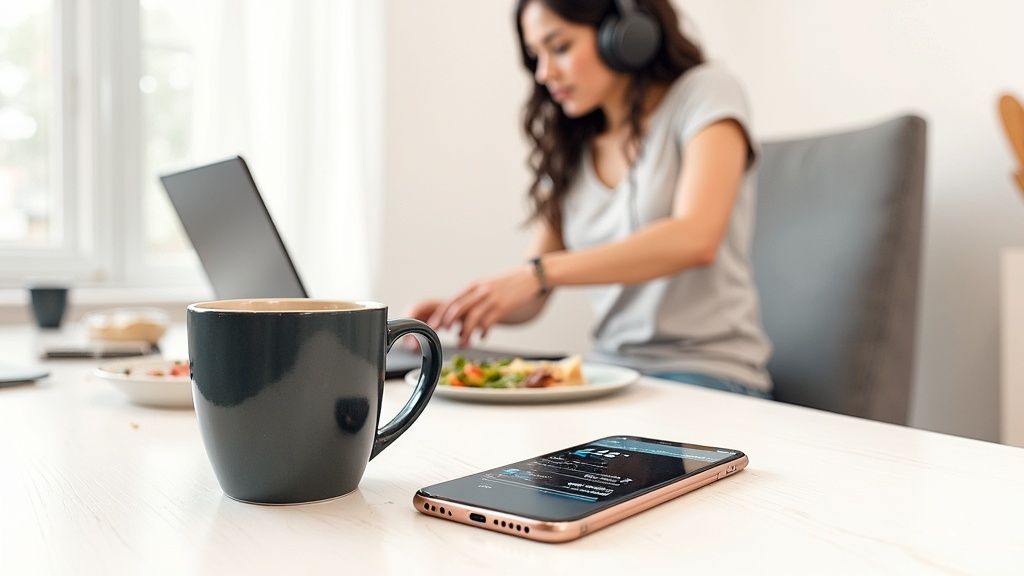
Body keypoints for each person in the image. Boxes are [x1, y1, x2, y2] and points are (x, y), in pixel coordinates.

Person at [409, 0, 773, 398]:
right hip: (610, 372)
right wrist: (467, 306)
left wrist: (539, 272)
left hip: (707, 373)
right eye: (536, 57)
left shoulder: (705, 92)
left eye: (560, 47)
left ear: (624, 33)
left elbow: (695, 237)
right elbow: (534, 295)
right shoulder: (571, 148)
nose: (545, 73)